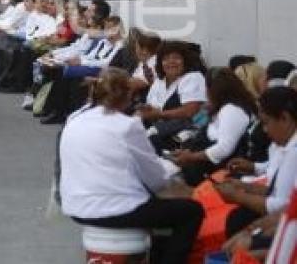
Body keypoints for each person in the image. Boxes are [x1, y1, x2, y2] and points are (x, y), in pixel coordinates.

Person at [60, 68, 204, 264]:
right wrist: (173, 170)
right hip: (116, 210)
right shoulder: (128, 126)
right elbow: (155, 179)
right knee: (191, 211)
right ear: (129, 95)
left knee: (161, 208)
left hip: (75, 206)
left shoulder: (75, 117)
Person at [217, 86, 297, 238]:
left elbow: (284, 205)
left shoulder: (294, 153)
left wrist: (238, 196)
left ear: (285, 119)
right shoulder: (283, 144)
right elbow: (276, 187)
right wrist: (243, 185)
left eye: (266, 123)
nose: (265, 130)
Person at [170, 68, 257, 186]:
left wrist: (191, 157)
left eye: (207, 88)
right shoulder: (221, 108)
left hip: (212, 174)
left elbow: (224, 149)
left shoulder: (232, 110)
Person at [137, 40, 207, 152]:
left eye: (176, 57)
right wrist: (145, 110)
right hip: (154, 128)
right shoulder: (159, 81)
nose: (171, 62)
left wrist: (159, 114)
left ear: (185, 61)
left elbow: (190, 111)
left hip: (180, 136)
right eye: (166, 58)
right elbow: (152, 107)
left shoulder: (193, 77)